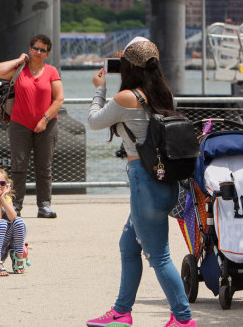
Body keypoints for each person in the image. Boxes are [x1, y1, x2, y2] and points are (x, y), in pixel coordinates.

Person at [85, 37, 197, 327]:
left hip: (144, 184)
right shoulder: (163, 95)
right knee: (129, 246)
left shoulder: (126, 98)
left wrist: (100, 90)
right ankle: (122, 312)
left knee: (159, 257)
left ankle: (183, 319)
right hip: (164, 182)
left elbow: (95, 121)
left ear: (128, 68)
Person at [0, 33, 64, 218]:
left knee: (44, 166)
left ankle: (44, 205)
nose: (39, 52)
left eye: (43, 50)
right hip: (19, 124)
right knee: (18, 166)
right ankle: (15, 206)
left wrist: (44, 120)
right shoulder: (19, 69)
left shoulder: (51, 71)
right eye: (36, 48)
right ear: (30, 49)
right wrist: (18, 60)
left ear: (47, 53)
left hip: (47, 125)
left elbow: (59, 99)